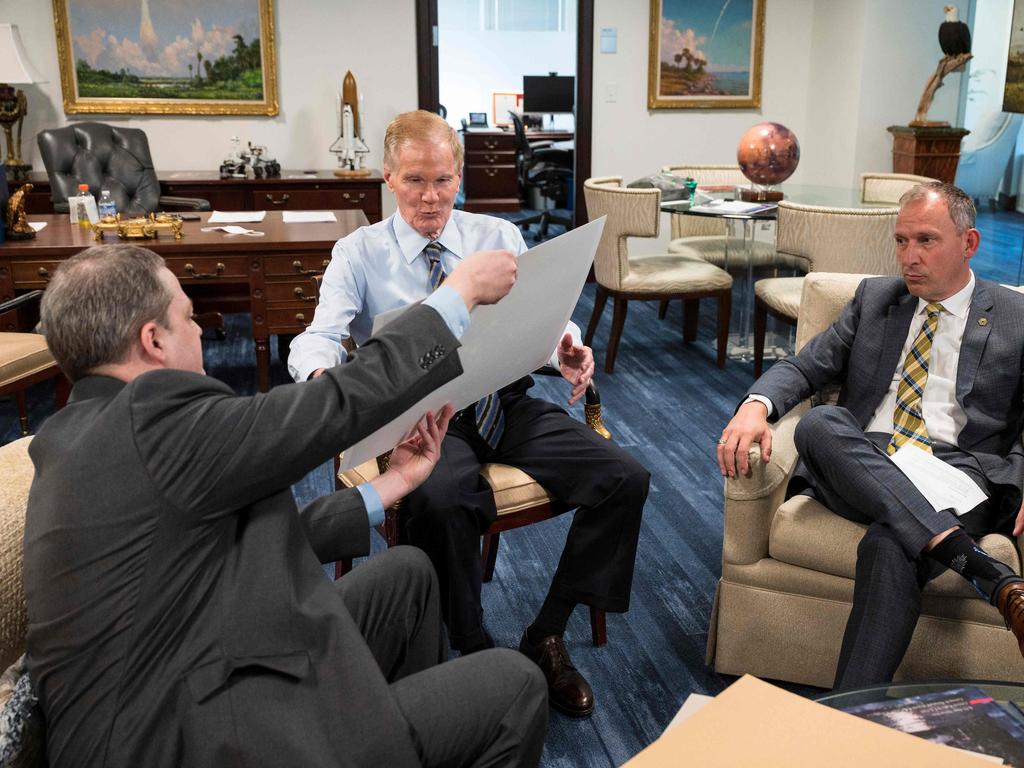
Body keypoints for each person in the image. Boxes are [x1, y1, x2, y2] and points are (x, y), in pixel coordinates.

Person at [24, 243, 549, 767]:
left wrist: (389, 487)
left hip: (191, 661)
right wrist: (457, 297)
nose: (201, 331)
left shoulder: (77, 433)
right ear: (153, 340)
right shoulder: (149, 417)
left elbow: (213, 535)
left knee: (407, 576)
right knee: (516, 686)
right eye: (188, 316)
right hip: (177, 738)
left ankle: (391, 742)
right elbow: (330, 406)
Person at [288, 109, 649, 717]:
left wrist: (566, 343)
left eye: (443, 181)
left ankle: (546, 633)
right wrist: (324, 380)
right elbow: (318, 335)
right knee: (440, 499)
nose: (430, 198)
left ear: (460, 176)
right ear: (387, 177)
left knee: (625, 478)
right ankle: (473, 641)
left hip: (500, 402)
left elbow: (542, 311)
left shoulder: (496, 237)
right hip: (418, 420)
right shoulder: (359, 253)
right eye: (414, 181)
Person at [717, 181, 1024, 689]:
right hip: (866, 459)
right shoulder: (877, 298)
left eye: (926, 240)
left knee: (890, 545)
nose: (909, 256)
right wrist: (755, 405)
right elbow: (807, 366)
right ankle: (984, 572)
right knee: (821, 423)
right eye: (901, 241)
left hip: (961, 471)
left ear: (968, 244)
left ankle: (849, 713)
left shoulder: (1015, 317)